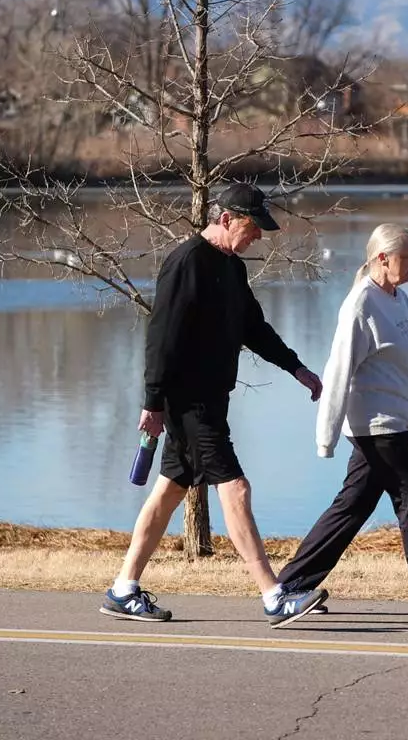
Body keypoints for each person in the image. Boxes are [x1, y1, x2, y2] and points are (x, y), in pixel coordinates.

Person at [100, 182, 329, 628]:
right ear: (226, 219)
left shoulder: (231, 268)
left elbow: (254, 328)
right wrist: (153, 400)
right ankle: (274, 596)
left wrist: (296, 368)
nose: (258, 236)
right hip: (189, 402)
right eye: (252, 227)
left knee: (169, 491)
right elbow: (161, 336)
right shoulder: (186, 262)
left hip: (211, 399)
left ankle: (123, 589)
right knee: (235, 487)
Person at [277, 223, 408, 620]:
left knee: (351, 508)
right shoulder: (361, 306)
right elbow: (338, 371)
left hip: (392, 426)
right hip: (377, 428)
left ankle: (291, 586)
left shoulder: (401, 302)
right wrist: (325, 437)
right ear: (382, 259)